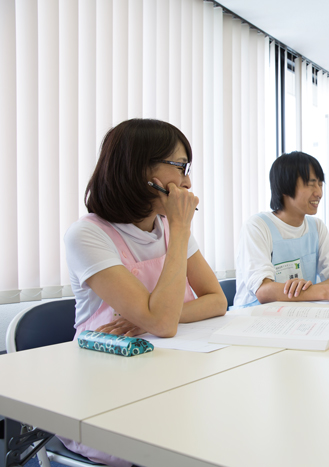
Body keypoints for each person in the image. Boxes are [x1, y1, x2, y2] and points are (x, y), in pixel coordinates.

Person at [62, 118, 227, 466]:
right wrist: (180, 227)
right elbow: (164, 324)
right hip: (107, 388)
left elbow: (216, 300)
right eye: (180, 167)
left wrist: (148, 319)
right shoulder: (88, 235)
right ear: (140, 170)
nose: (188, 181)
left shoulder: (168, 227)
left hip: (168, 369)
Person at [234, 151, 329, 308]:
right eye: (311, 184)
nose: (319, 193)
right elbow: (264, 291)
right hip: (253, 318)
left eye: (320, 184)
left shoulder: (316, 227)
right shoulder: (257, 227)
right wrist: (327, 292)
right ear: (285, 186)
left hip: (298, 315)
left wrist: (313, 292)